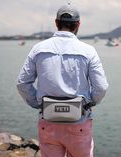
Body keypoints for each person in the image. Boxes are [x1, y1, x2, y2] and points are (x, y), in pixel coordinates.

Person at [16, 4, 109, 157]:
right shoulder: (88, 51)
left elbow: (22, 83)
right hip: (78, 122)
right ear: (78, 24)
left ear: (56, 23)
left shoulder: (38, 49)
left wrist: (39, 104)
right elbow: (102, 87)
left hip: (48, 122)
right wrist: (89, 103)